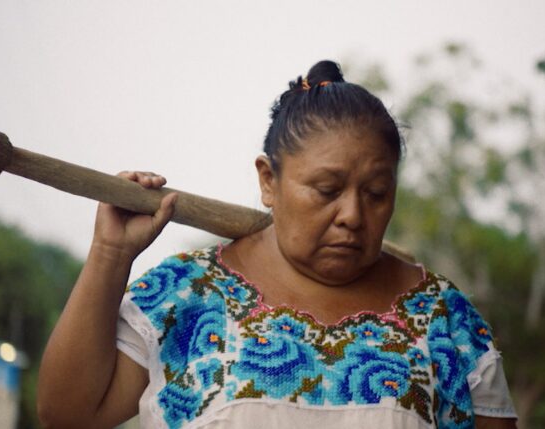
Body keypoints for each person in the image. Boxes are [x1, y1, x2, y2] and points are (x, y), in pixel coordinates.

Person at [37, 60, 518, 429]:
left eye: (375, 194)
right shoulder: (186, 293)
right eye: (327, 191)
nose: (352, 215)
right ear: (269, 181)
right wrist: (111, 253)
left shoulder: (445, 318)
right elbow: (68, 413)